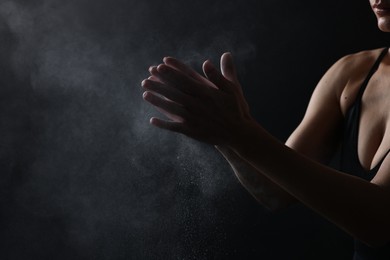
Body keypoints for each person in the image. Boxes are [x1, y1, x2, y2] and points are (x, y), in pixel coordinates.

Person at [141, 0, 390, 258]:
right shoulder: (351, 74)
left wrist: (240, 132)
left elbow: (379, 221)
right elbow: (274, 191)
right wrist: (224, 135)